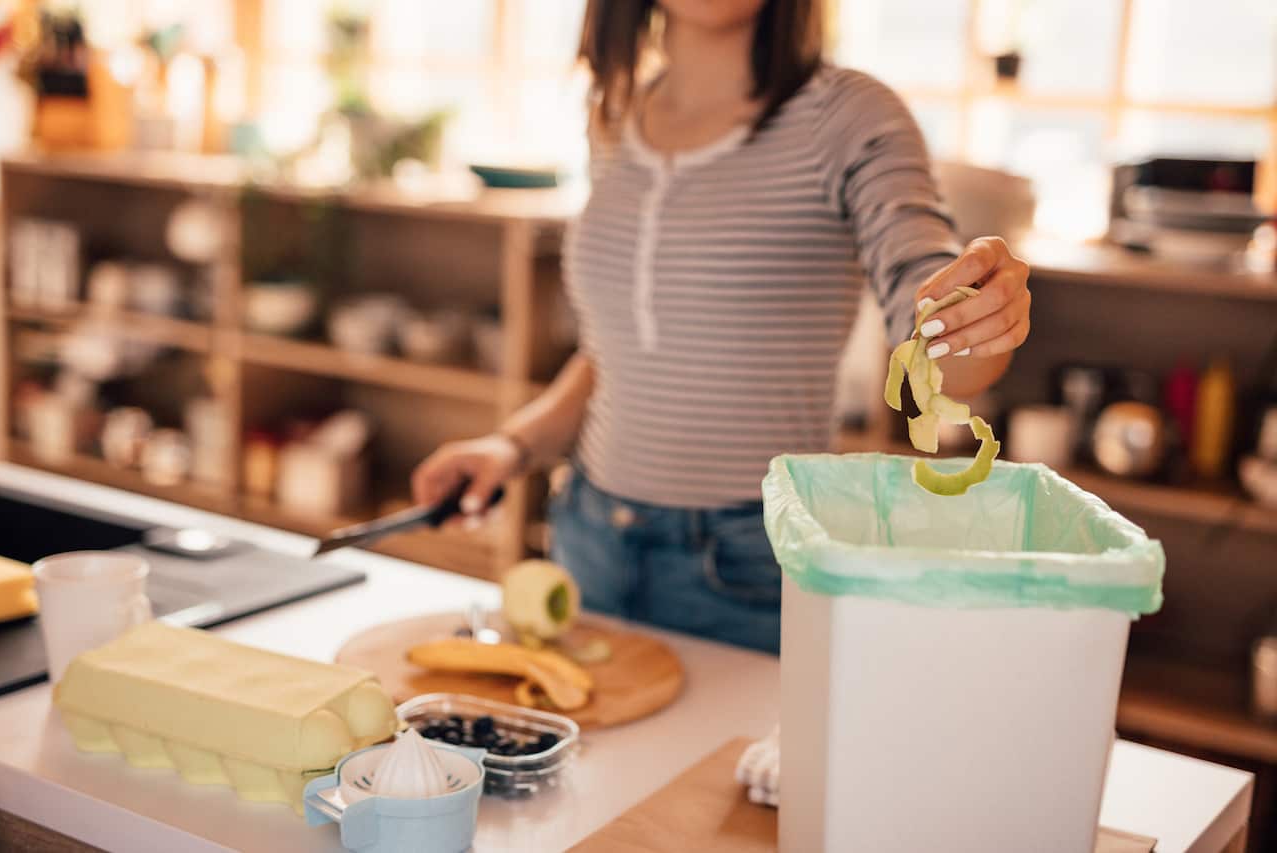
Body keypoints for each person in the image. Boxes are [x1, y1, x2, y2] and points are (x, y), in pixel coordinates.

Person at [412, 0, 1032, 655]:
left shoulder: (849, 116)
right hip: (588, 534)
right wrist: (513, 446)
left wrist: (973, 314)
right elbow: (619, 354)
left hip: (748, 563)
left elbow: (930, 303)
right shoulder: (615, 116)